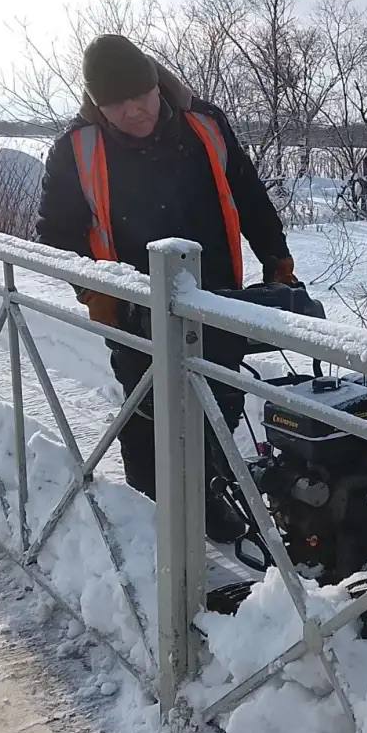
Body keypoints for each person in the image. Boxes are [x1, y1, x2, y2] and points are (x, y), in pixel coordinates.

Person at [35, 33, 296, 540]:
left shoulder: (206, 125)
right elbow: (54, 236)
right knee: (147, 414)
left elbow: (250, 196)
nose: (132, 111)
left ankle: (210, 503)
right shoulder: (76, 150)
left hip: (216, 298)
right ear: (97, 104)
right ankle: (153, 523)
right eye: (115, 103)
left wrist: (277, 258)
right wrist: (97, 291)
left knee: (218, 404)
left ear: (157, 86)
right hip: (132, 308)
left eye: (140, 96)